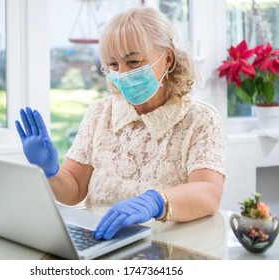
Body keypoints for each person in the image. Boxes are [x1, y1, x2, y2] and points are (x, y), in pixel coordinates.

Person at [15, 7, 226, 241]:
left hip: (166, 246)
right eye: (113, 65)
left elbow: (209, 194)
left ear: (167, 58)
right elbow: (74, 190)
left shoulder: (199, 119)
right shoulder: (99, 114)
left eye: (133, 62)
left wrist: (157, 201)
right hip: (101, 241)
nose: (122, 73)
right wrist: (50, 171)